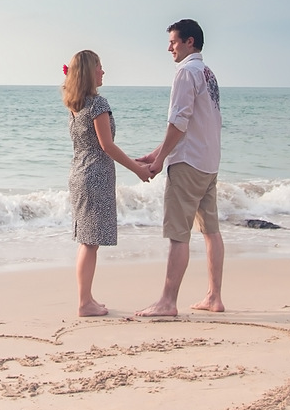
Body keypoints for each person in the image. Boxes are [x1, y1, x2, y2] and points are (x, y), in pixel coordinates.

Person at [135, 19, 224, 317]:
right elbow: (193, 124)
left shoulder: (186, 71)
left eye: (173, 42)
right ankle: (214, 297)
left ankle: (167, 302)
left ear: (189, 42)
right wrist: (155, 152)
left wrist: (160, 162)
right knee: (211, 231)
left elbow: (179, 122)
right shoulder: (207, 72)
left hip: (187, 163)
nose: (169, 47)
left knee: (178, 235)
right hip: (209, 162)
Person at [63, 50, 151, 317]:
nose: (103, 71)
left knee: (87, 240)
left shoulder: (76, 104)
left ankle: (86, 298)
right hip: (95, 175)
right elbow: (107, 146)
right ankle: (84, 303)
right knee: (89, 242)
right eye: (100, 67)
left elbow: (94, 145)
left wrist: (135, 161)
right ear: (90, 71)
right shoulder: (98, 105)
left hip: (79, 173)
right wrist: (137, 169)